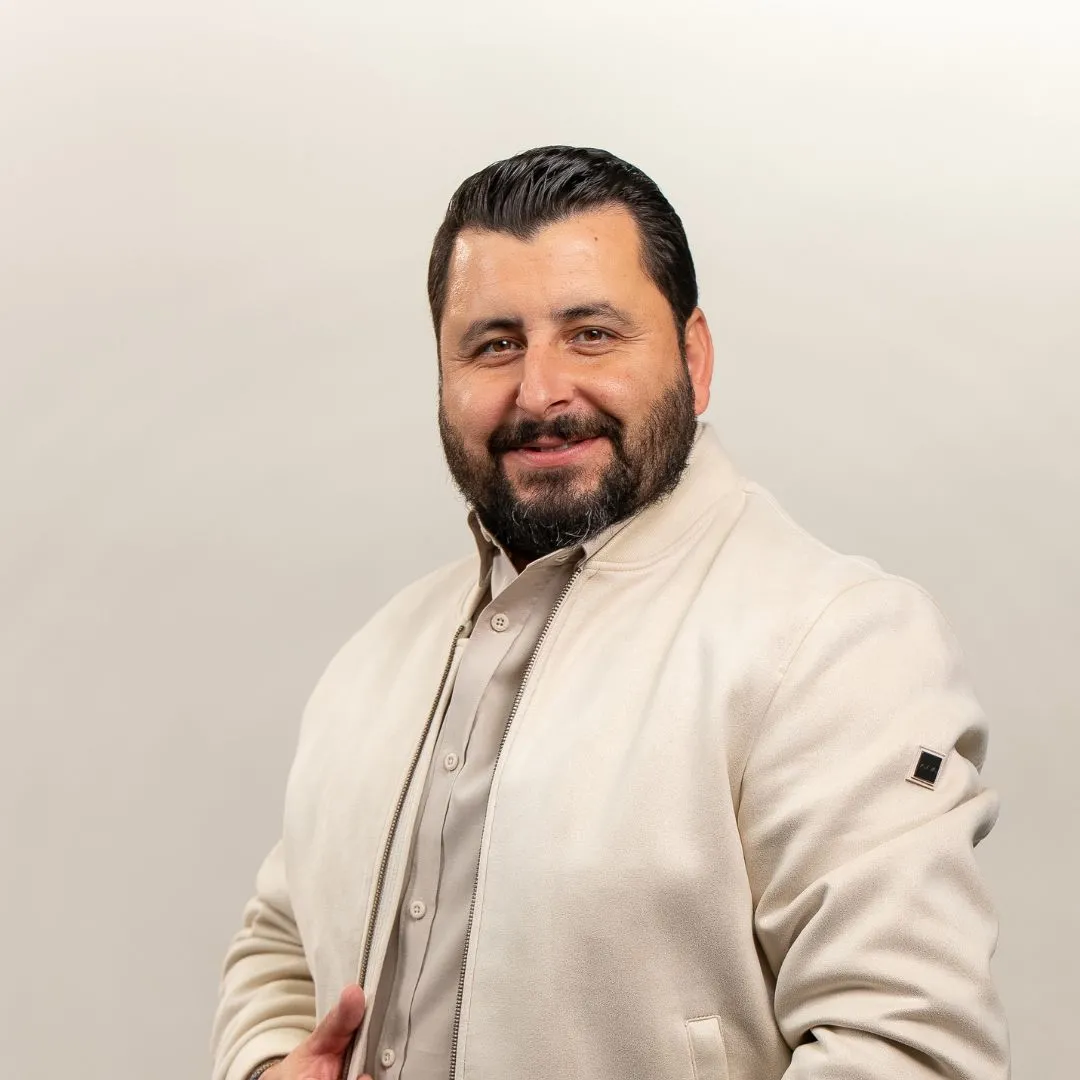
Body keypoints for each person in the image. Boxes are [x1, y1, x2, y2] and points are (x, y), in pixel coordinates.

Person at [210, 145, 1009, 1080]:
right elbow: (278, 942)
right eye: (494, 343)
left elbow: (909, 1053)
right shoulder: (376, 656)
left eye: (591, 333)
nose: (541, 391)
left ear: (693, 358)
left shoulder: (836, 642)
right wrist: (267, 1066)